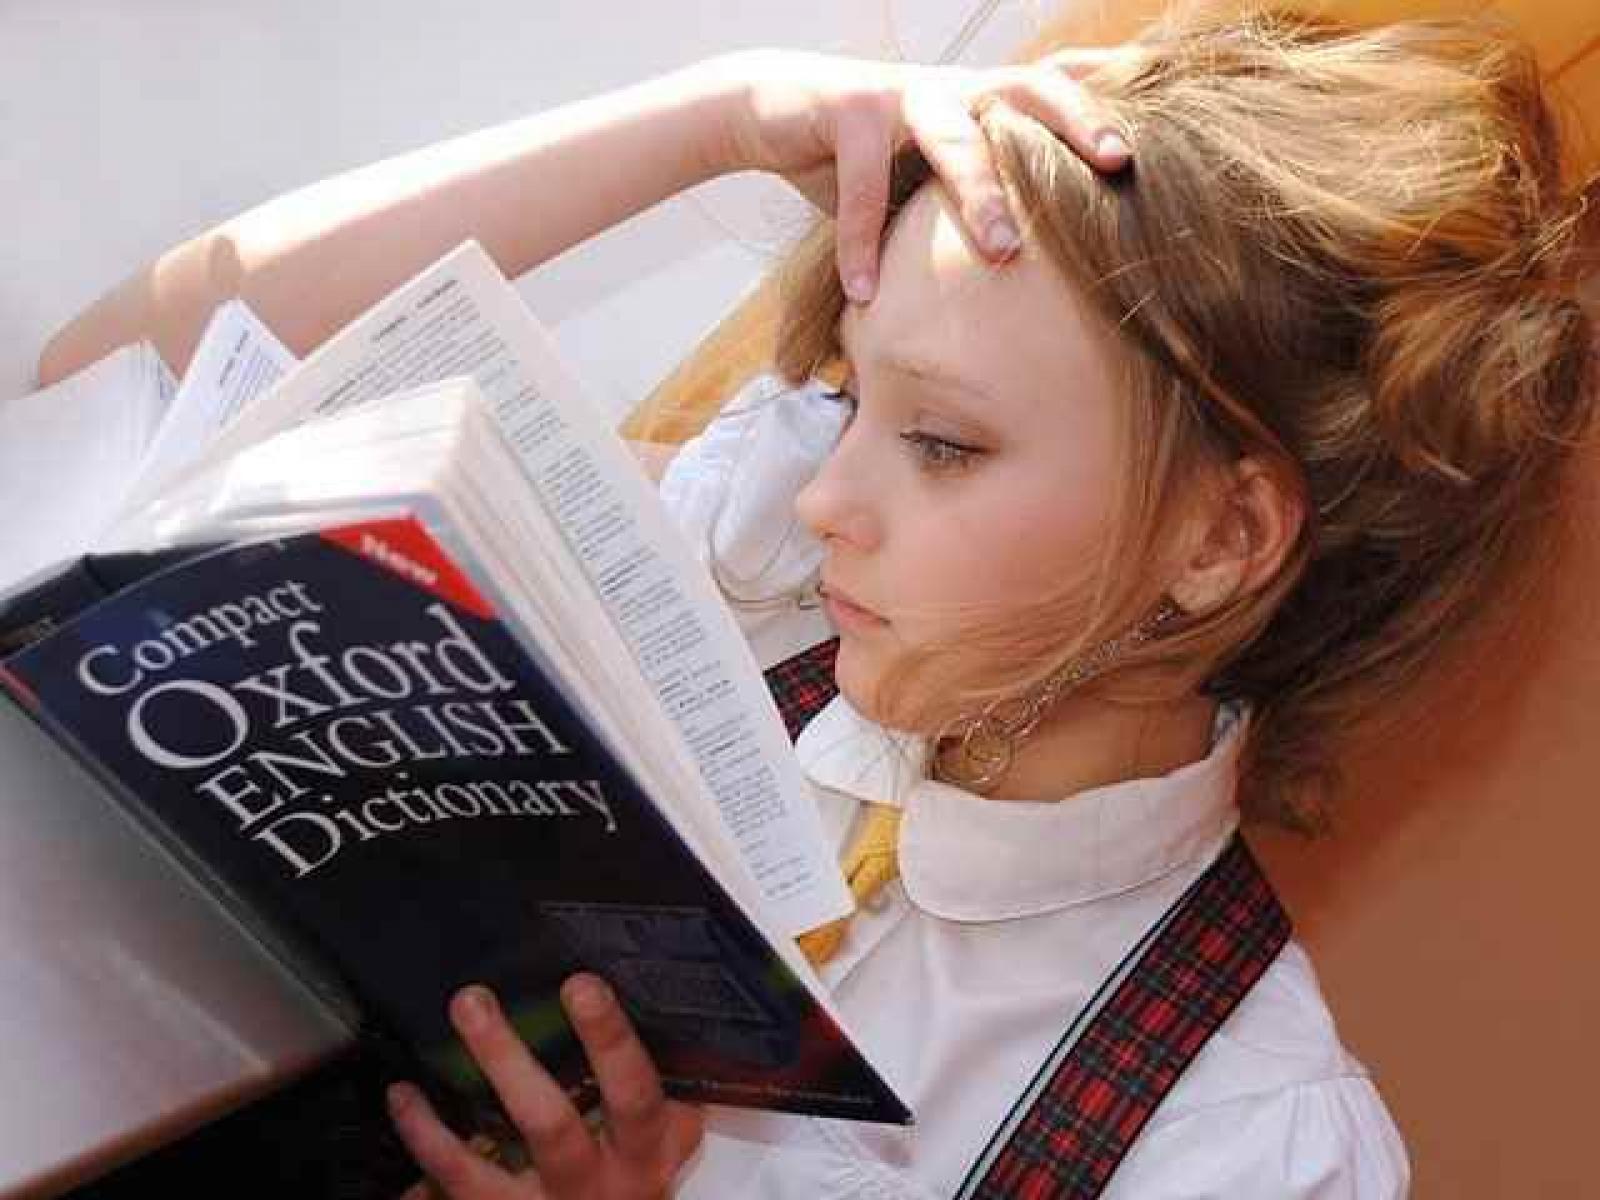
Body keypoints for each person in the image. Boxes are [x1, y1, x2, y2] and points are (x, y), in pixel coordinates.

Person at [41, 6, 1597, 1198]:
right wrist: (710, 121)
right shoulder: (739, 596)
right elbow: (100, 398)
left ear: (1217, 543)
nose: (824, 497)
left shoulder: (1247, 1141)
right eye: (850, 403)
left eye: (941, 441)